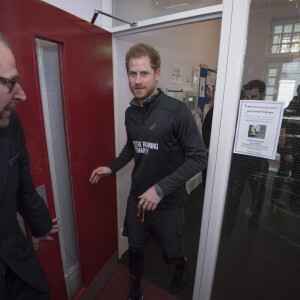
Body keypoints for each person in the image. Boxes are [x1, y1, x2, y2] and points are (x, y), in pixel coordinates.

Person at [90, 43, 207, 300]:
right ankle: (135, 290)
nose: (138, 80)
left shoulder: (176, 112)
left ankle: (181, 268)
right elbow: (132, 147)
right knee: (136, 248)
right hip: (138, 199)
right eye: (133, 74)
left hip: (168, 201)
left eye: (144, 73)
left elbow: (199, 158)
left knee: (171, 251)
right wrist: (112, 167)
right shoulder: (131, 112)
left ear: (157, 74)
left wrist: (161, 189)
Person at [0, 33, 60, 299]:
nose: (21, 94)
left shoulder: (11, 123)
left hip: (15, 256)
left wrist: (41, 226)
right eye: (10, 83)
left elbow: (23, 186)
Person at [224, 80, 269, 232]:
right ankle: (228, 225)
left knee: (258, 194)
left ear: (263, 95)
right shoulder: (239, 110)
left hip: (258, 162)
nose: (249, 101)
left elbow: (257, 137)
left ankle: (254, 222)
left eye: (254, 97)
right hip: (239, 160)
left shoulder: (270, 113)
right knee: (233, 194)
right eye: (247, 97)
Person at [272, 84, 300, 208]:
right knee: (282, 173)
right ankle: (276, 197)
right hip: (290, 149)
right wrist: (287, 152)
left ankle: (294, 199)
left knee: (296, 174)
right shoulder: (292, 109)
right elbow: (282, 132)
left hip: (296, 149)